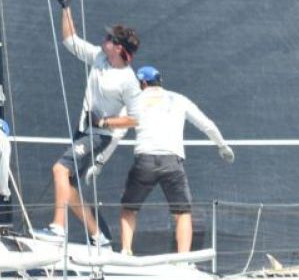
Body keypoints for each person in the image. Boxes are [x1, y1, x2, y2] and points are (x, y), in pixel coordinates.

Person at [40, 0, 139, 245]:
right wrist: (65, 6)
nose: (104, 40)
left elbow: (135, 118)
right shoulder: (99, 57)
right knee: (69, 186)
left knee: (59, 169)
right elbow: (70, 40)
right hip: (84, 130)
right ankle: (99, 237)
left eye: (109, 39)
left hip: (99, 135)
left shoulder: (128, 80)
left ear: (119, 48)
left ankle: (58, 229)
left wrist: (105, 121)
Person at [99, 66, 234, 256]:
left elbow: (116, 135)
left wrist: (100, 161)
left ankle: (126, 251)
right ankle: (183, 259)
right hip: (172, 162)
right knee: (182, 213)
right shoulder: (179, 99)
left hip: (144, 162)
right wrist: (222, 146)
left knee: (129, 208)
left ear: (142, 83)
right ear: (159, 81)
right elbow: (207, 125)